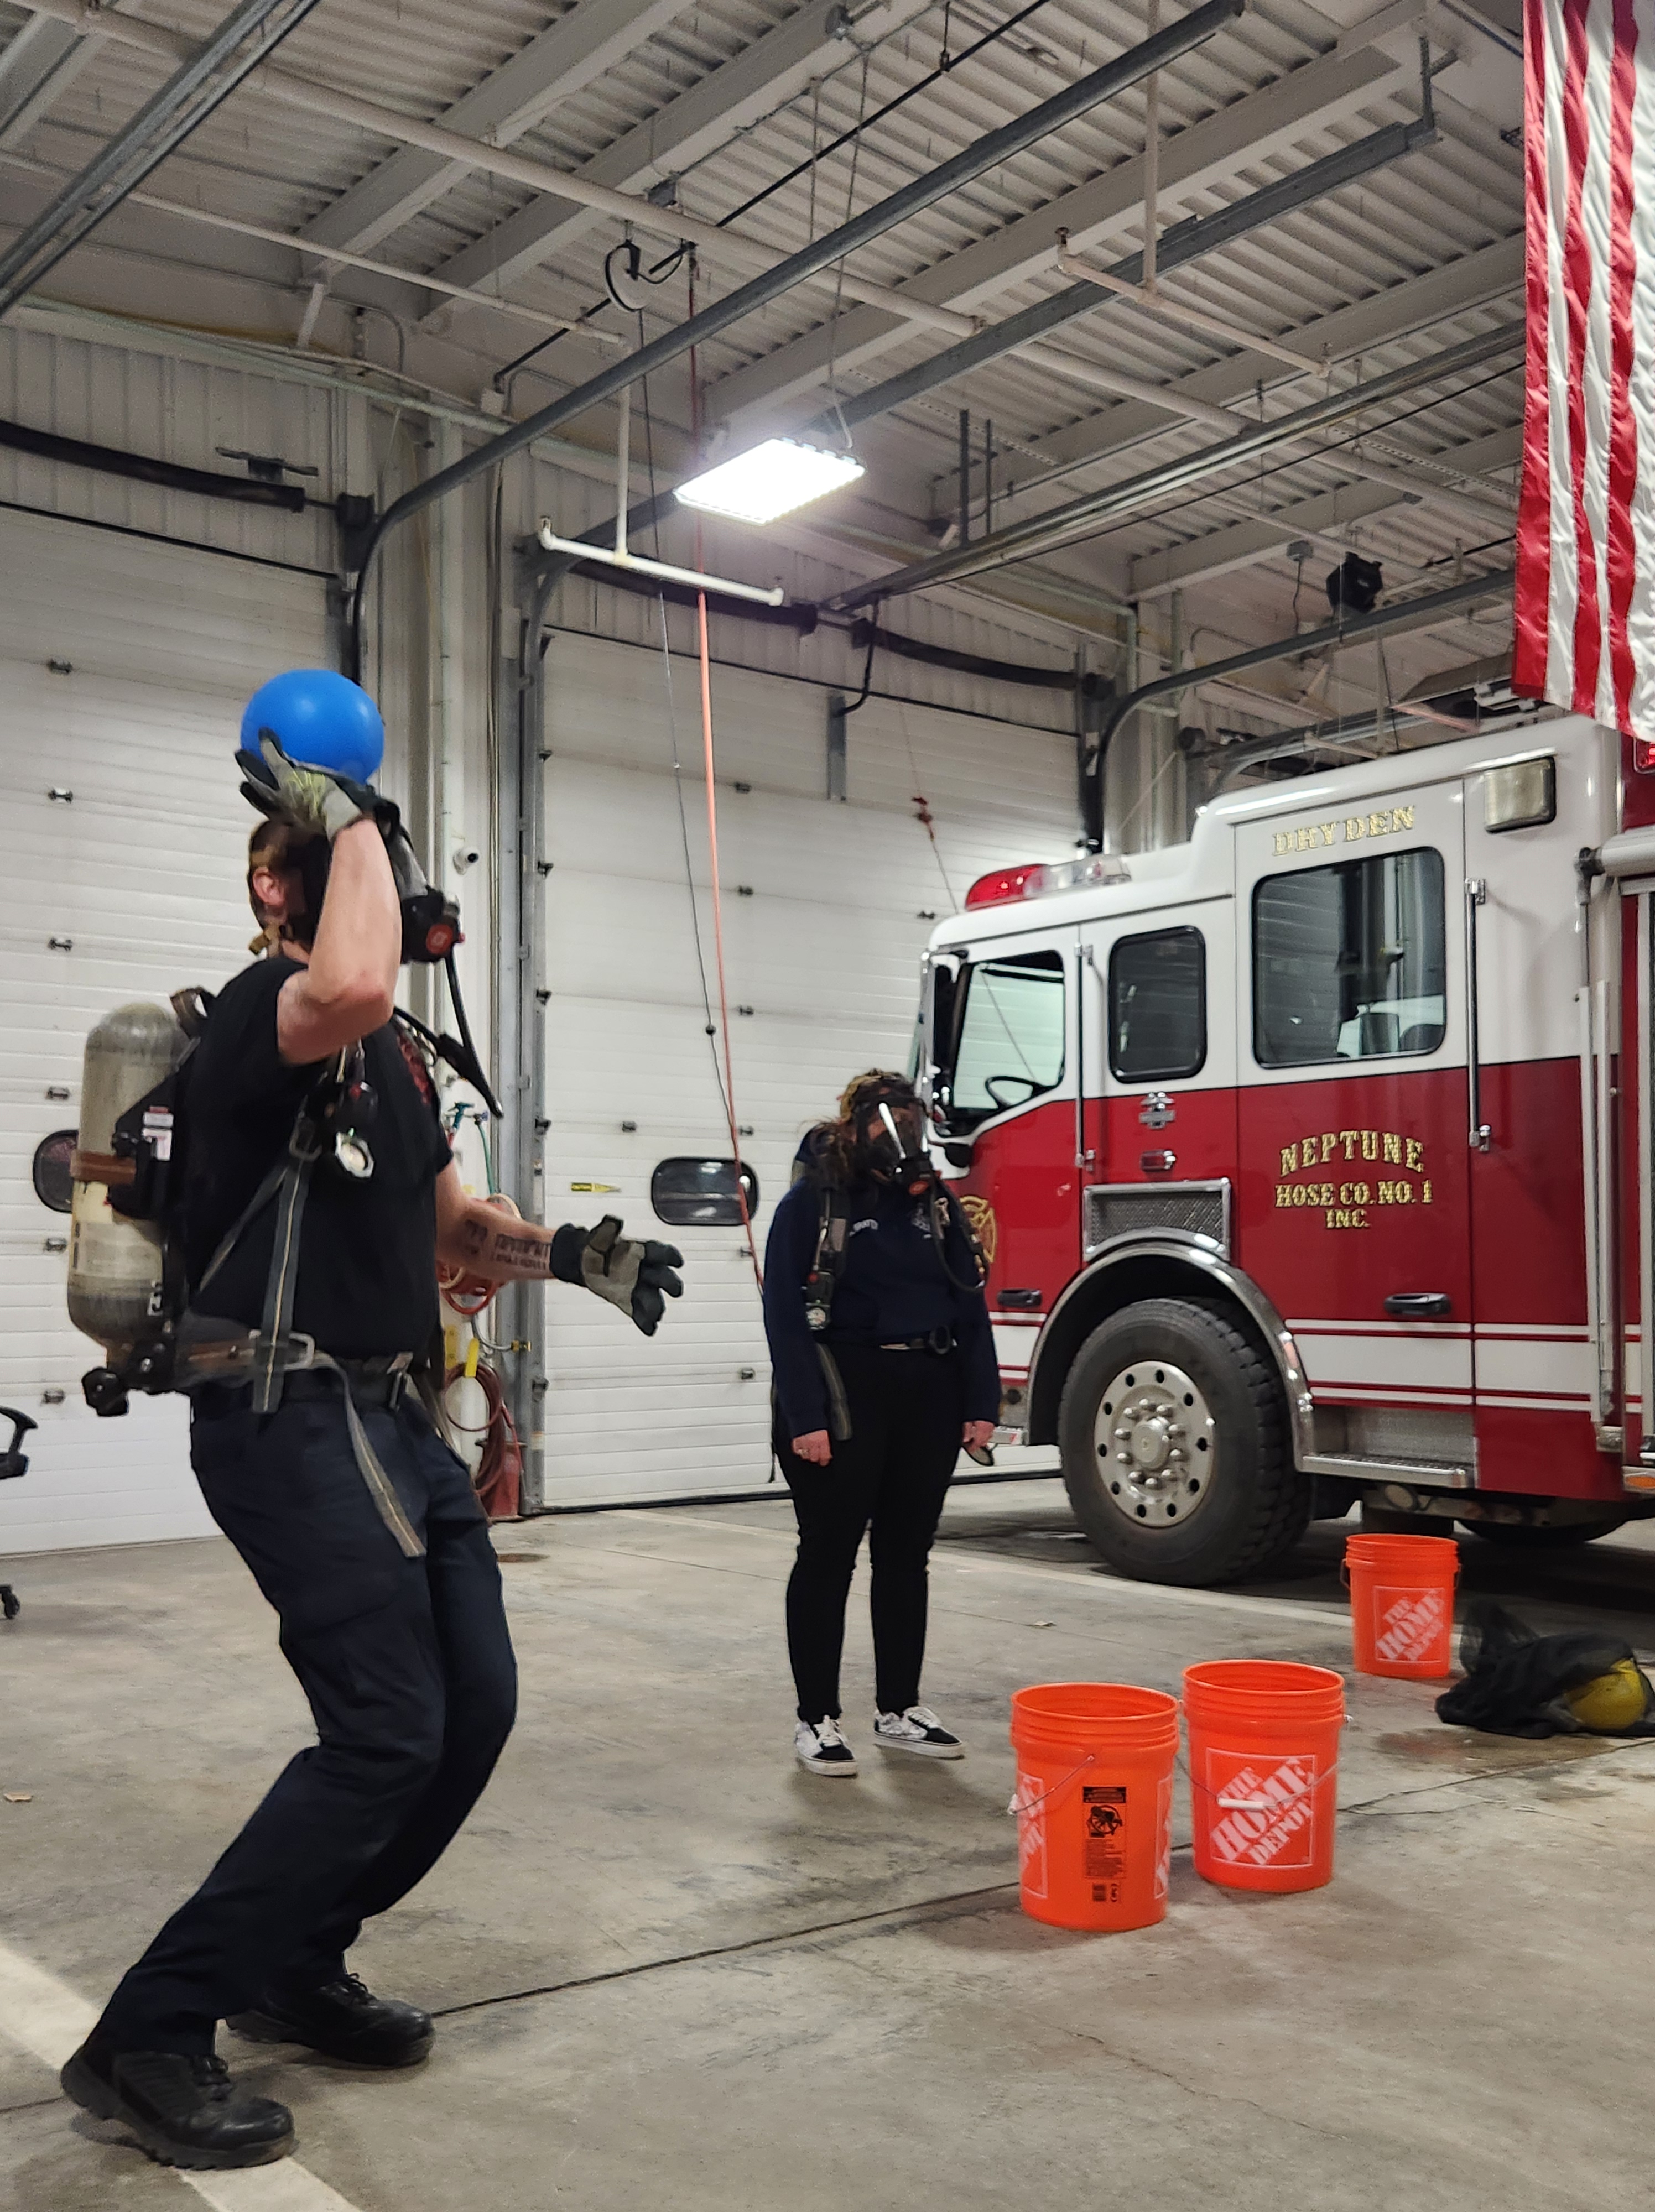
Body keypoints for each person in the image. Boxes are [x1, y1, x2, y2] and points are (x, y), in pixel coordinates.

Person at [61, 732, 683, 2172]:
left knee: (474, 1705)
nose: (390, 888)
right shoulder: (264, 1013)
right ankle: (150, 2033)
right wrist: (342, 816)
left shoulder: (394, 1060)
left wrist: (575, 1255)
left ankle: (296, 1955)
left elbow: (455, 1226)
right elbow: (344, 980)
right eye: (359, 865)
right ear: (279, 888)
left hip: (393, 1415)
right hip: (285, 1411)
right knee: (388, 1724)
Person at [762, 1071, 999, 1777]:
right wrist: (804, 1416)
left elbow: (969, 1303)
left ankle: (899, 1708)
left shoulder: (935, 1205)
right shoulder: (815, 1201)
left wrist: (980, 1402)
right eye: (885, 1119)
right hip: (843, 1394)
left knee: (905, 1555)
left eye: (910, 1117)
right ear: (854, 1126)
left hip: (929, 1390)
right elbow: (783, 1315)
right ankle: (816, 1718)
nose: (901, 1132)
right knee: (828, 1555)